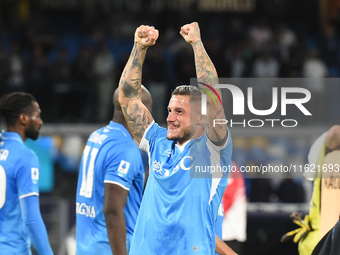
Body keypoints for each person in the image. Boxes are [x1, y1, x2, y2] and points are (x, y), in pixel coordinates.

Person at [118, 22, 233, 254]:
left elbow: (212, 99)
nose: (170, 118)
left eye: (179, 112)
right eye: (170, 111)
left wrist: (197, 45)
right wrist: (139, 48)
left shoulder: (212, 150)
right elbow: (128, 98)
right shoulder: (157, 142)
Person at [75, 86, 152, 255]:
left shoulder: (96, 136)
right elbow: (112, 210)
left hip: (86, 246)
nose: (150, 121)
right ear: (136, 111)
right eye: (149, 111)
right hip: (110, 247)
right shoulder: (125, 149)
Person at [0, 92, 53, 255]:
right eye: (37, 116)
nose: (40, 122)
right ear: (23, 118)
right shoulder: (24, 156)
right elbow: (31, 219)